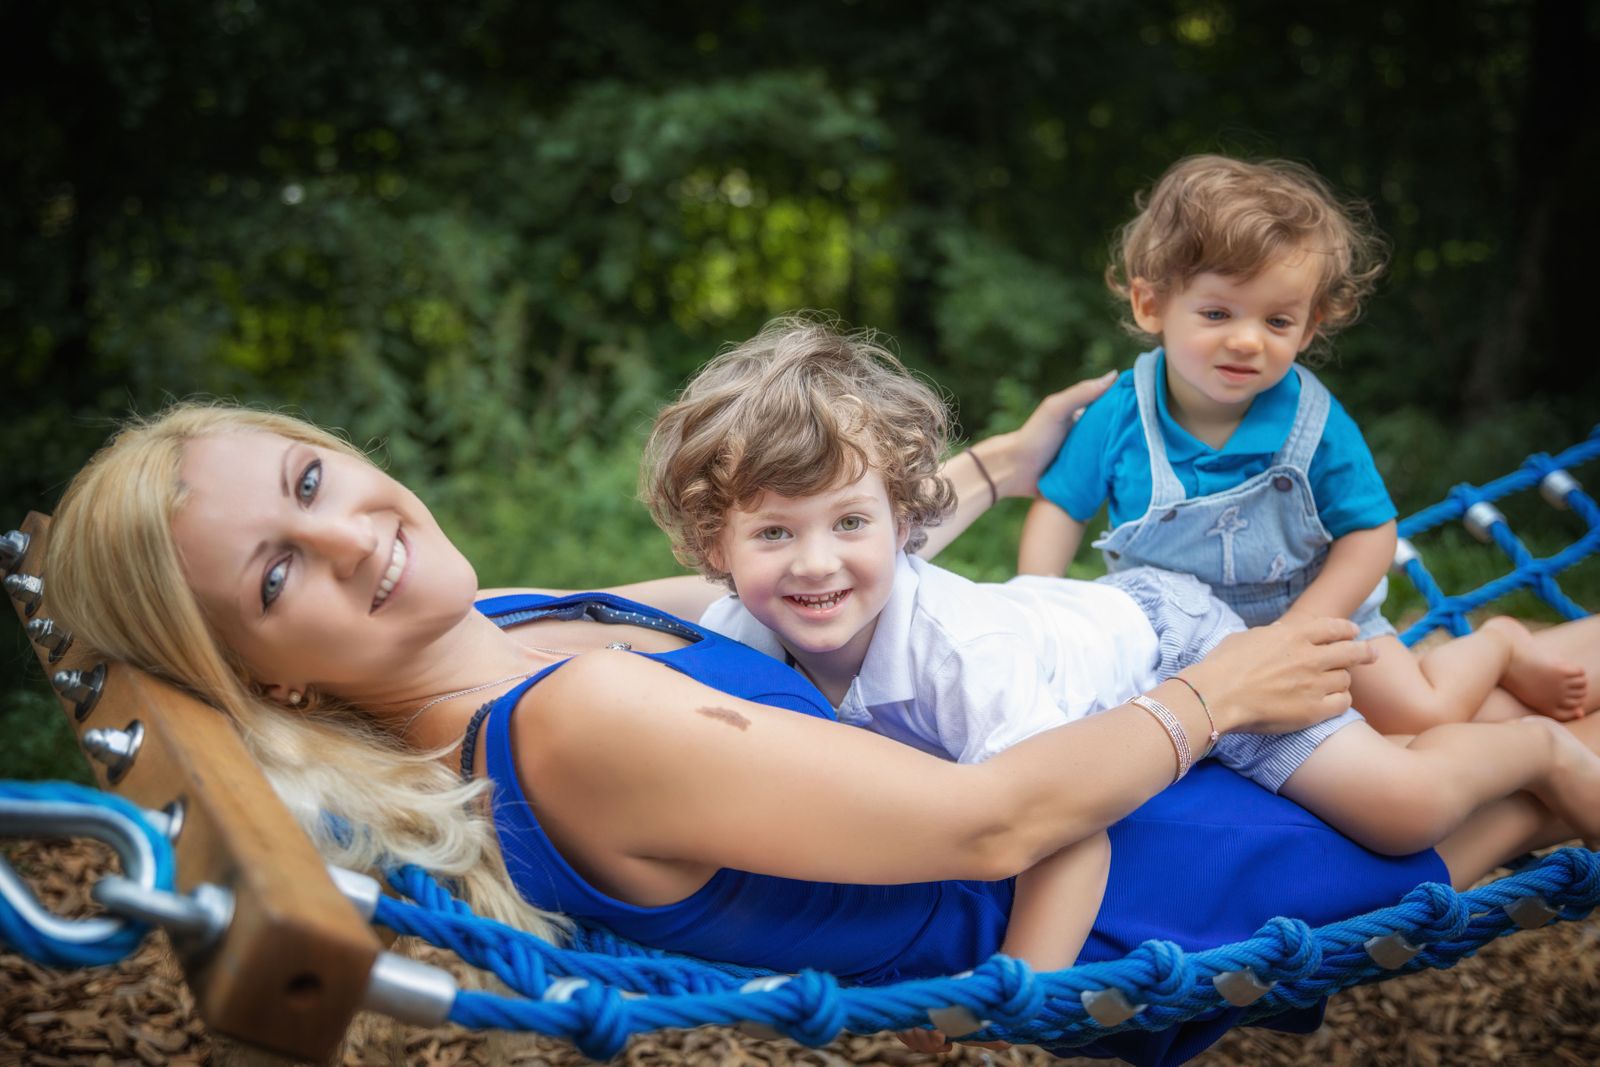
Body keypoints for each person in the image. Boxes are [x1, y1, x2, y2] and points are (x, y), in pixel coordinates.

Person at [40, 395, 1600, 1066]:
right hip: (1106, 874)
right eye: (276, 576)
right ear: (274, 678)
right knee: (1470, 803)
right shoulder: (575, 722)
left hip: (1098, 762)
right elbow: (989, 823)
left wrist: (996, 463)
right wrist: (1216, 694)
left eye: (311, 482)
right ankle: (1537, 743)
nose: (351, 537)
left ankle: (1514, 667)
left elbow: (785, 576)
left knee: (1435, 688)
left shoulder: (509, 618)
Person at [640, 314, 1600, 1008]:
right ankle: (1477, 679)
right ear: (716, 546)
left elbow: (1070, 831)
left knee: (1402, 810)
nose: (815, 563)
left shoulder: (962, 661)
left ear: (907, 526)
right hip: (1086, 641)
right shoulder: (738, 632)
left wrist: (1015, 993)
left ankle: (1539, 748)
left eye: (850, 522)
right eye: (774, 532)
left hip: (1181, 640)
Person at [1018, 154, 1587, 734]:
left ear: (1309, 327)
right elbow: (1062, 508)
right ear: (1151, 306)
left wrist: (1300, 630)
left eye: (1277, 322)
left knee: (1420, 716)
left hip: (1308, 619)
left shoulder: (1313, 423)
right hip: (1169, 636)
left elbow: (1371, 532)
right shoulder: (1121, 414)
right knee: (1122, 731)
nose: (1247, 340)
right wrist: (1043, 612)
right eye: (1217, 313)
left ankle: (1499, 645)